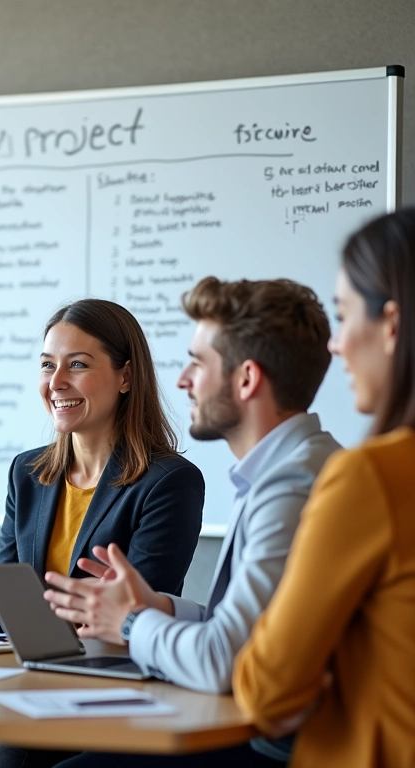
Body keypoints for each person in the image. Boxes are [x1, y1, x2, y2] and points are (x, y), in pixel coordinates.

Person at [44, 277, 340, 768]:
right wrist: (158, 606)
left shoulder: (293, 486)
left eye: (199, 363)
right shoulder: (279, 470)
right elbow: (250, 630)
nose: (182, 379)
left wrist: (132, 621)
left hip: (279, 746)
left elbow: (224, 659)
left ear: (246, 380)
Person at [0, 298, 204, 768]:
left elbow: (137, 620)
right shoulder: (28, 473)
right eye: (47, 365)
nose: (56, 382)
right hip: (38, 693)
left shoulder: (169, 482)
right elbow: (14, 623)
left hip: (116, 702)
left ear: (126, 377)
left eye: (77, 365)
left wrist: (86, 614)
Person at [234, 209, 415, 768]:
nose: (334, 346)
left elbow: (268, 689)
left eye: (343, 315)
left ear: (390, 324)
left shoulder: (370, 477)